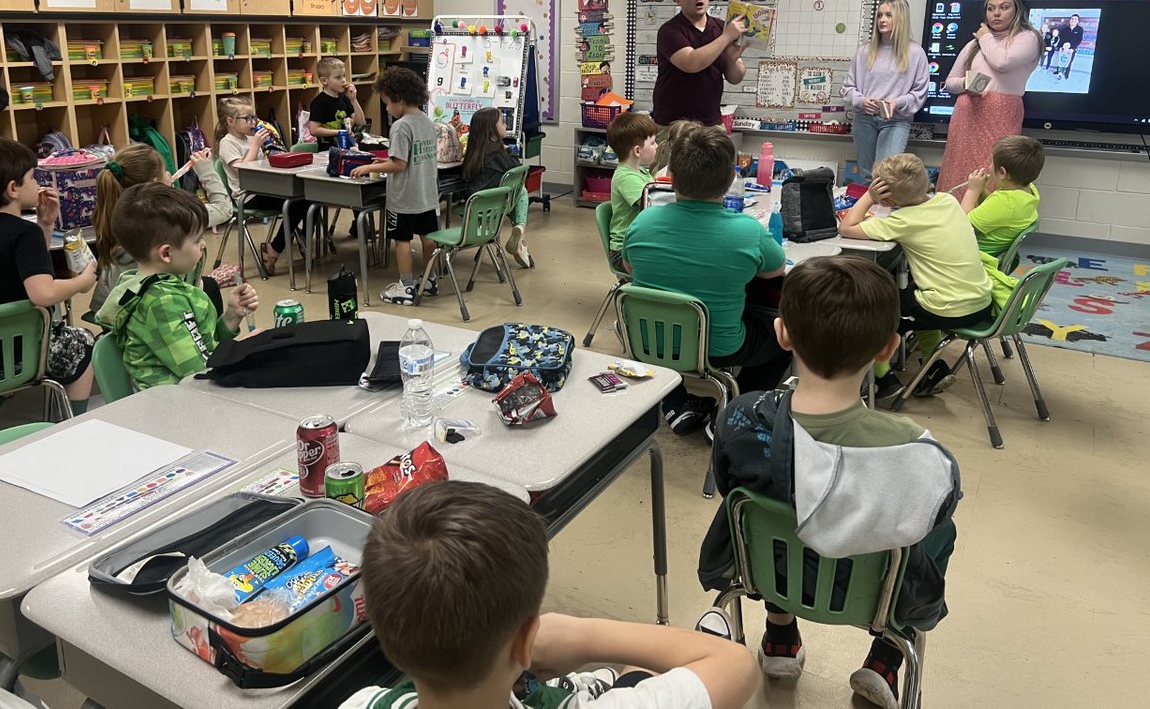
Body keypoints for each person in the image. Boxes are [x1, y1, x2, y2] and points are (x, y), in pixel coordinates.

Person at [699, 257, 958, 709]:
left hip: (770, 573)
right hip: (874, 593)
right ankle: (885, 659)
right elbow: (935, 511)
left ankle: (780, 636)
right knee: (943, 531)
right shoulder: (914, 448)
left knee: (767, 508)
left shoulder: (741, 416)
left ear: (782, 334)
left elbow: (728, 487)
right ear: (888, 348)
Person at [339, 480, 760, 709]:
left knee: (633, 673)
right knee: (649, 668)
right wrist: (584, 636)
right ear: (525, 641)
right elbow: (736, 668)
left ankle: (611, 680)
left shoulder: (362, 701)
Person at [624, 125, 789, 433]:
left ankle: (675, 403)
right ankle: (733, 414)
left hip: (650, 341)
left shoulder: (643, 221)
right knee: (784, 337)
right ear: (730, 180)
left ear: (671, 176)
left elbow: (629, 267)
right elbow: (775, 271)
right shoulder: (747, 231)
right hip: (721, 347)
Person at [0, 137, 97, 444]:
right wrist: (82, 282)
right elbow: (41, 293)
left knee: (13, 337)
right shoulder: (22, 233)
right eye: (33, 177)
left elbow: (30, 268)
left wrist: (44, 224)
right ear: (13, 189)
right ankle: (75, 422)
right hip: (19, 354)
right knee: (81, 341)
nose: (38, 183)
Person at [840, 153, 993, 398]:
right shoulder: (947, 200)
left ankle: (882, 379)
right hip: (982, 302)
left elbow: (846, 228)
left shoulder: (902, 220)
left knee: (873, 308)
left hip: (948, 309)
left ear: (886, 199)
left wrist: (869, 196)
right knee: (914, 293)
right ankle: (933, 369)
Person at [95, 183, 257, 391]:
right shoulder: (163, 303)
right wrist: (246, 348)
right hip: (175, 410)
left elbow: (202, 346)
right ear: (166, 253)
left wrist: (231, 317)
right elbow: (201, 372)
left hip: (190, 398)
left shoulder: (150, 286)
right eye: (197, 240)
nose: (203, 245)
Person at [91, 142, 233, 313]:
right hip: (159, 306)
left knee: (209, 285)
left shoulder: (114, 211)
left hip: (116, 304)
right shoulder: (170, 218)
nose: (169, 174)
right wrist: (206, 170)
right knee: (209, 289)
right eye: (164, 171)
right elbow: (224, 209)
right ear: (154, 183)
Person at [937, 0, 1040, 198]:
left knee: (997, 168)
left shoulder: (1028, 38)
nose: (996, 13)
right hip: (967, 116)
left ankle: (983, 224)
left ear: (1017, 11)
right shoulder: (973, 44)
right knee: (958, 168)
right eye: (991, 9)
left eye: (1004, 7)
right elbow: (949, 82)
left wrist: (985, 38)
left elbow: (1002, 62)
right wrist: (967, 84)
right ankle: (952, 223)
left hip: (1001, 116)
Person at [350, 67, 439, 305]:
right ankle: (429, 280)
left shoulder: (401, 126)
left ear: (399, 99)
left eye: (387, 103)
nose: (387, 109)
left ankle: (406, 287)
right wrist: (386, 161)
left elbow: (399, 165)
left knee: (402, 241)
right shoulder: (427, 122)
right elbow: (411, 158)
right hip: (427, 195)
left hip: (404, 199)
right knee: (428, 237)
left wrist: (369, 168)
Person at [651, 0, 748, 171]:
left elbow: (735, 77)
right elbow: (691, 63)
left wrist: (732, 58)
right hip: (673, 125)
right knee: (669, 183)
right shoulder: (670, 31)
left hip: (710, 123)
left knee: (713, 181)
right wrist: (726, 37)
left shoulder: (720, 27)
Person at [216, 96, 312, 276]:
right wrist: (255, 146)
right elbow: (242, 171)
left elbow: (262, 165)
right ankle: (275, 249)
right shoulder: (227, 143)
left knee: (306, 195)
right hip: (247, 196)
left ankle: (298, 242)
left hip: (264, 189)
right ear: (230, 121)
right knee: (297, 203)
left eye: (254, 117)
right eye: (248, 118)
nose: (253, 122)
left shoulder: (248, 138)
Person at [842, 0, 930, 174]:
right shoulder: (865, 51)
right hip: (864, 120)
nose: (882, 20)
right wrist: (860, 101)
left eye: (888, 15)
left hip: (895, 121)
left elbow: (920, 92)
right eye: (880, 15)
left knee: (886, 176)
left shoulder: (915, 53)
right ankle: (868, 203)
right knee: (867, 175)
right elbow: (848, 87)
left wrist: (897, 102)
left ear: (901, 18)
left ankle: (883, 203)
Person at [462, 107, 531, 268]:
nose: (506, 125)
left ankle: (521, 242)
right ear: (491, 130)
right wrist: (508, 150)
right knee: (521, 191)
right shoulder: (500, 155)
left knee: (516, 193)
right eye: (502, 122)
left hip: (478, 207)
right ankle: (520, 230)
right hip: (497, 209)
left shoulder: (473, 154)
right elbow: (520, 171)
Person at [961, 135, 1044, 257]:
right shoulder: (1029, 190)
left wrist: (972, 190)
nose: (989, 167)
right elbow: (992, 211)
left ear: (1002, 172)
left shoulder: (1006, 202)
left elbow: (960, 225)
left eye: (991, 163)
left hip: (973, 257)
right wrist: (982, 189)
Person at [604, 111, 658, 270]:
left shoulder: (641, 172)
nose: (657, 146)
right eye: (653, 143)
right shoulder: (626, 178)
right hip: (624, 251)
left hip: (639, 243)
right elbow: (651, 205)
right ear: (637, 151)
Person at [306, 57, 366, 148]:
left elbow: (361, 122)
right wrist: (339, 132)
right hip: (328, 151)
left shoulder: (344, 97)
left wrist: (354, 100)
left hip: (348, 147)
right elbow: (313, 130)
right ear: (324, 81)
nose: (343, 80)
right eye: (338, 77)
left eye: (344, 76)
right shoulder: (319, 102)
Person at [1059, 13, 1084, 79]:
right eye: (1072, 19)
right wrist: (1061, 47)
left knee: (1069, 62)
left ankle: (1067, 73)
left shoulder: (1080, 29)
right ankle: (1059, 71)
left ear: (1078, 21)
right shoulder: (1065, 29)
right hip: (1063, 49)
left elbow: (1079, 40)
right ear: (1070, 20)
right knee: (1061, 60)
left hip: (1071, 50)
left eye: (1075, 19)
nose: (1073, 20)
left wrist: (1073, 48)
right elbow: (1061, 39)